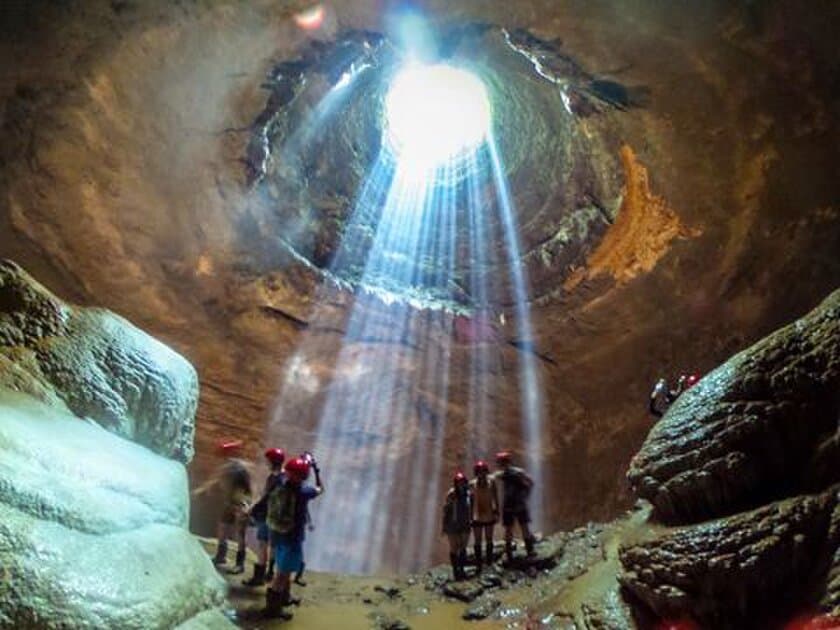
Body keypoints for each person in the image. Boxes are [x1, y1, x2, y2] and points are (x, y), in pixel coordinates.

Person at [264, 455, 324, 619]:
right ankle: (273, 610)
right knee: (282, 576)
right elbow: (320, 489)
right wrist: (315, 469)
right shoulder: (304, 492)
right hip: (293, 539)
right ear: (304, 476)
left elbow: (285, 472)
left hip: (278, 535)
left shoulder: (281, 484)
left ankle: (284, 599)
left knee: (283, 571)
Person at [243, 447, 286, 587]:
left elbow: (266, 498)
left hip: (269, 516)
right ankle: (269, 573)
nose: (266, 463)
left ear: (272, 461)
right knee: (272, 545)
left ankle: (259, 576)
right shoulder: (282, 478)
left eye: (268, 460)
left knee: (263, 543)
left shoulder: (276, 479)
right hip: (276, 517)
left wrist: (252, 509)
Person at [208, 440, 252, 574]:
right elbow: (219, 481)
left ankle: (240, 564)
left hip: (239, 504)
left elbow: (246, 489)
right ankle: (221, 556)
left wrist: (243, 506)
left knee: (240, 534)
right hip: (230, 503)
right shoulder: (229, 467)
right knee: (222, 528)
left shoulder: (239, 469)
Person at [495, 451, 535, 561]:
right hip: (518, 503)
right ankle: (529, 551)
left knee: (512, 529)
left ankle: (510, 554)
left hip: (511, 504)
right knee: (521, 527)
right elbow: (531, 482)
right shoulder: (517, 472)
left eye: (501, 462)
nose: (501, 465)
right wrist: (526, 495)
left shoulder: (505, 474)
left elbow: (530, 482)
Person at [442, 471, 472, 581]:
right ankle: (456, 571)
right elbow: (445, 510)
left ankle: (462, 569)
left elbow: (471, 508)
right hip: (453, 524)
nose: (461, 484)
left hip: (465, 523)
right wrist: (444, 526)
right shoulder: (451, 493)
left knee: (463, 547)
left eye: (462, 482)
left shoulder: (469, 493)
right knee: (454, 547)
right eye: (459, 482)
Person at [469, 460, 499, 573]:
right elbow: (469, 501)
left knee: (489, 539)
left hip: (489, 514)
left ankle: (489, 563)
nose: (481, 473)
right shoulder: (472, 484)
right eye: (479, 472)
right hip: (477, 515)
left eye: (483, 471)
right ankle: (478, 564)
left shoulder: (491, 482)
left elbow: (496, 497)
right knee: (477, 540)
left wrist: (497, 511)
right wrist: (469, 516)